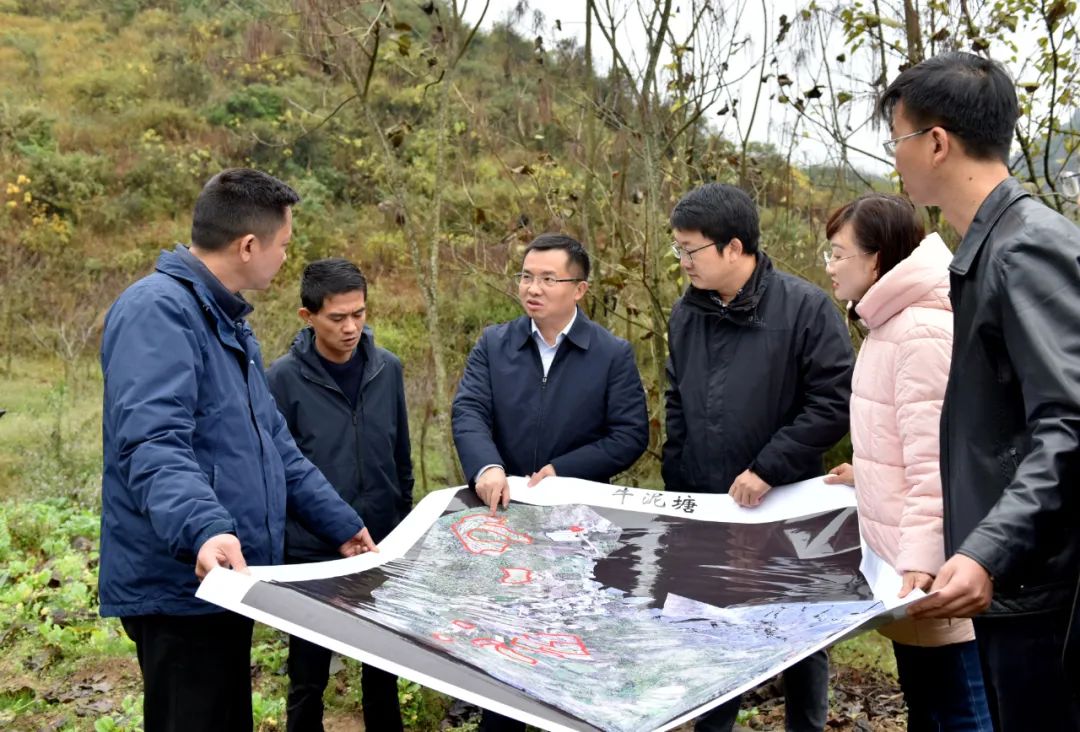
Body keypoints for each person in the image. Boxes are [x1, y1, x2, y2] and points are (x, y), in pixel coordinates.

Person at [99, 169, 376, 732]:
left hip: (227, 578)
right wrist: (202, 527)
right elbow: (153, 441)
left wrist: (341, 526)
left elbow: (276, 446)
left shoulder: (226, 323)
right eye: (283, 246)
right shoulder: (159, 311)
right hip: (182, 581)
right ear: (249, 245)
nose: (284, 257)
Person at [876, 52, 1080, 729]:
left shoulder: (1024, 249)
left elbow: (1069, 424)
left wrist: (985, 548)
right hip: (1015, 584)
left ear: (936, 142)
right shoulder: (989, 247)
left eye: (898, 139)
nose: (896, 159)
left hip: (1045, 593)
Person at [663, 183, 854, 731]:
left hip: (788, 502)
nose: (683, 260)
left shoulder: (805, 309)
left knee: (800, 633)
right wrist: (679, 489)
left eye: (692, 249)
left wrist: (768, 467)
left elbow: (833, 402)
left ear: (734, 247)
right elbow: (677, 403)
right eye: (678, 248)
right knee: (710, 631)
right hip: (707, 504)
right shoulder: (686, 315)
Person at [452, 233, 649, 731]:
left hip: (576, 530)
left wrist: (565, 471)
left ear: (579, 289)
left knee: (569, 648)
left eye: (547, 278)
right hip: (503, 523)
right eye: (525, 276)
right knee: (502, 646)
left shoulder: (611, 354)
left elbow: (629, 435)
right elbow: (469, 410)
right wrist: (487, 467)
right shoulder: (495, 343)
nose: (532, 288)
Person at [820, 193, 992, 730]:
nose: (827, 266)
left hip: (931, 571)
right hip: (906, 569)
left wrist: (921, 566)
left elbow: (938, 464)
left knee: (964, 714)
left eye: (836, 253)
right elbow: (904, 442)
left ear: (875, 259)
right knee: (928, 708)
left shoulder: (919, 331)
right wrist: (864, 473)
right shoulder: (888, 323)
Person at [267, 258, 412, 732]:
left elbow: (400, 455)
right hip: (313, 550)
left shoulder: (386, 369)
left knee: (383, 668)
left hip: (379, 542)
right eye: (337, 317)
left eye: (360, 314)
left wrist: (402, 527)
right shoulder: (281, 380)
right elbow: (277, 473)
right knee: (308, 676)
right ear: (306, 317)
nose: (351, 327)